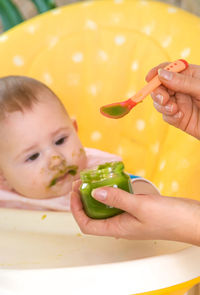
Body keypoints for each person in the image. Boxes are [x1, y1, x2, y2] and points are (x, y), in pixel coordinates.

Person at [71, 62, 200, 246]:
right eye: (32, 157)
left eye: (60, 140)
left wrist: (185, 223)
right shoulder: (14, 196)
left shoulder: (100, 165)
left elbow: (142, 191)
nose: (54, 159)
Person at [0, 75, 122, 211]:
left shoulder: (105, 177)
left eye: (60, 141)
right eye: (33, 156)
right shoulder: (5, 205)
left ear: (75, 129)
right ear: (2, 176)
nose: (56, 161)